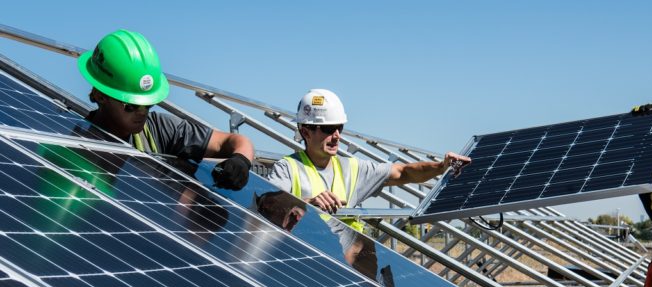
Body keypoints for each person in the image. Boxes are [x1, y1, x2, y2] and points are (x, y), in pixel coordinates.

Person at [266, 88, 471, 230]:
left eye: (340, 128)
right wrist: (308, 203)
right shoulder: (287, 168)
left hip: (345, 264)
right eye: (329, 129)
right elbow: (268, 209)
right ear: (306, 132)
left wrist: (441, 166)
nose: (337, 135)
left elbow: (404, 172)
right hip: (304, 263)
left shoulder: (353, 169)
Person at [78, 29, 254, 190]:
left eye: (148, 104)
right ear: (101, 95)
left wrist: (241, 160)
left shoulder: (161, 128)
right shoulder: (75, 145)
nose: (142, 113)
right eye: (131, 106)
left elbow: (231, 141)